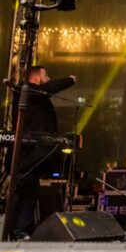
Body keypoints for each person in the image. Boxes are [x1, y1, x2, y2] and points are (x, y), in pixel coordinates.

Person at [5, 66, 76, 240]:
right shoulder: (26, 90)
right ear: (36, 78)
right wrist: (70, 80)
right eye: (46, 75)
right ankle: (18, 231)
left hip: (34, 153)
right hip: (25, 155)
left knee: (30, 191)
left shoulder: (35, 95)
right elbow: (49, 88)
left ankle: (23, 230)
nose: (49, 78)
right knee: (25, 192)